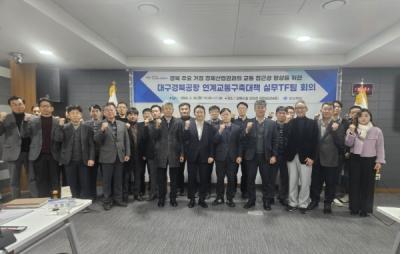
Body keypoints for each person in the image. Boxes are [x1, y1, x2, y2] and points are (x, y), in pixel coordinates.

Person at [345, 109, 385, 217]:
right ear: (357, 118)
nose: (363, 118)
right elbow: (348, 144)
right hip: (355, 159)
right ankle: (354, 208)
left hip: (370, 160)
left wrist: (379, 161)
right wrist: (352, 132)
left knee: (367, 185)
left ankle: (365, 209)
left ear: (370, 117)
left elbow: (380, 147)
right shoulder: (352, 129)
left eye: (366, 116)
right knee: (354, 184)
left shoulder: (376, 130)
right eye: (361, 116)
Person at [241, 100, 278, 210]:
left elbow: (275, 140)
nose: (260, 109)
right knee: (250, 179)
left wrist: (274, 155)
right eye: (258, 107)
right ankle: (251, 200)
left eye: (262, 107)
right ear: (255, 109)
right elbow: (242, 139)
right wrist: (247, 130)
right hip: (251, 156)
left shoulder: (272, 123)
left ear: (265, 108)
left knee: (266, 180)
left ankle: (266, 201)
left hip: (266, 156)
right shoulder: (249, 122)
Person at [22, 98, 63, 197]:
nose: (45, 108)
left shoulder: (58, 121)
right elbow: (24, 134)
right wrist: (25, 122)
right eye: (43, 106)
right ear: (39, 108)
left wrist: (61, 127)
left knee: (55, 179)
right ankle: (43, 201)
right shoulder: (32, 121)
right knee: (40, 179)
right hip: (38, 155)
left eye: (47, 106)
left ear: (52, 108)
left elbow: (60, 138)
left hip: (54, 155)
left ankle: (55, 200)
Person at [308, 103, 345, 214]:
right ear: (321, 110)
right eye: (325, 109)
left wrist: (334, 131)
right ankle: (314, 201)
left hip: (331, 159)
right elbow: (311, 141)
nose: (327, 111)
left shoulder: (338, 125)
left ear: (333, 111)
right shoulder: (316, 123)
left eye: (329, 109)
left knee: (330, 183)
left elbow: (341, 144)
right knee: (315, 183)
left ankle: (327, 204)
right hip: (317, 159)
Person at [94, 102, 130, 210]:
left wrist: (127, 153)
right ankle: (107, 201)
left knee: (118, 180)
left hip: (120, 156)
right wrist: (102, 130)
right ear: (104, 112)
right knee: (106, 181)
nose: (110, 112)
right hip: (106, 157)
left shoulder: (122, 124)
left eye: (112, 110)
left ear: (116, 111)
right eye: (108, 110)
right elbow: (96, 140)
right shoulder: (100, 123)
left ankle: (118, 199)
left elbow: (126, 140)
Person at [0, 96, 37, 198]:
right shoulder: (6, 118)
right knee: (14, 180)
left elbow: (36, 134)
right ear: (10, 106)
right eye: (14, 105)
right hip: (12, 153)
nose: (18, 106)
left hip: (30, 152)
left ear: (24, 105)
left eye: (20, 104)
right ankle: (16, 201)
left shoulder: (32, 118)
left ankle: (36, 199)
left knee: (32, 178)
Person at [286, 100, 318, 214]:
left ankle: (303, 203)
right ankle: (292, 202)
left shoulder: (312, 123)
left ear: (306, 109)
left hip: (306, 158)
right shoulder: (289, 122)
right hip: (291, 156)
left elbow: (315, 142)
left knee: (305, 182)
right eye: (297, 108)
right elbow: (286, 140)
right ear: (294, 110)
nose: (300, 110)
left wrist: (312, 158)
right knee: (292, 181)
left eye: (302, 107)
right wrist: (286, 123)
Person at [56, 105, 95, 198]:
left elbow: (91, 145)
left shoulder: (87, 128)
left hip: (84, 160)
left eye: (77, 113)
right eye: (72, 113)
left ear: (81, 115)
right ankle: (73, 202)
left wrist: (91, 158)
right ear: (68, 115)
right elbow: (58, 139)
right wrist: (60, 127)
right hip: (69, 160)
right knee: (71, 183)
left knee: (85, 182)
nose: (75, 115)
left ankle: (84, 202)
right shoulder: (64, 127)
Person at [183, 105, 215, 208]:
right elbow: (184, 140)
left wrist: (211, 155)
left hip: (205, 157)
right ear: (194, 113)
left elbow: (212, 143)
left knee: (204, 179)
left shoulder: (209, 126)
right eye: (197, 112)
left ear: (204, 113)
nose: (199, 114)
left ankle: (202, 199)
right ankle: (192, 199)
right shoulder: (189, 125)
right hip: (192, 156)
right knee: (191, 179)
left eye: (201, 112)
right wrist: (186, 129)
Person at [154, 103, 184, 207]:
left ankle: (173, 198)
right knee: (161, 179)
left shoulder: (179, 122)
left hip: (174, 154)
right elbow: (154, 138)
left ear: (173, 110)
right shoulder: (157, 121)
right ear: (163, 110)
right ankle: (161, 198)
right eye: (165, 109)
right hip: (160, 154)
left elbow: (181, 139)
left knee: (174, 179)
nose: (167, 110)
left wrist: (182, 153)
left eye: (169, 109)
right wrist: (157, 127)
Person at [212, 108, 242, 207]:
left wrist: (239, 155)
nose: (225, 116)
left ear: (230, 115)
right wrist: (220, 130)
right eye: (223, 115)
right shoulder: (216, 127)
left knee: (231, 179)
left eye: (227, 114)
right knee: (220, 179)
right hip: (220, 157)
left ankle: (230, 198)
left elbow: (240, 143)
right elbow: (214, 142)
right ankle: (219, 197)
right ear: (221, 116)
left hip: (232, 158)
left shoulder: (237, 128)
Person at [143, 105, 162, 201]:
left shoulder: (165, 123)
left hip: (163, 154)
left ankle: (162, 193)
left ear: (160, 112)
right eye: (153, 111)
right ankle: (153, 193)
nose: (154, 113)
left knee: (162, 175)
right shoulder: (148, 124)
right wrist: (146, 126)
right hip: (151, 154)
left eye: (156, 111)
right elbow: (145, 139)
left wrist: (159, 126)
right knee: (153, 175)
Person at [126, 108, 145, 201]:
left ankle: (137, 194)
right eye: (130, 114)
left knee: (138, 176)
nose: (132, 116)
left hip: (139, 156)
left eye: (134, 114)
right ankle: (125, 195)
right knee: (126, 176)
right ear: (127, 116)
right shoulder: (123, 126)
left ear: (137, 116)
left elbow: (145, 141)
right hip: (127, 156)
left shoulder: (142, 126)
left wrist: (144, 154)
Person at [85, 104, 103, 201]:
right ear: (90, 113)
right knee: (91, 175)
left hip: (104, 153)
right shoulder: (85, 124)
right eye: (92, 111)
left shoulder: (105, 123)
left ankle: (106, 195)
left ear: (100, 112)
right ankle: (92, 194)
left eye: (96, 111)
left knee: (106, 176)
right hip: (91, 154)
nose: (94, 113)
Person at [233, 101, 251, 199]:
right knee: (233, 172)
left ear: (246, 109)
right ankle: (233, 189)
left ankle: (244, 191)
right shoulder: (233, 121)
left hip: (247, 152)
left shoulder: (251, 121)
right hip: (235, 151)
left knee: (246, 173)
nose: (241, 110)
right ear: (237, 109)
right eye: (240, 108)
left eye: (243, 108)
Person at [275, 106, 289, 206]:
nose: (282, 115)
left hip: (285, 155)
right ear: (276, 114)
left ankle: (282, 196)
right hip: (273, 155)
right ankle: (269, 196)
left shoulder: (289, 126)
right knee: (271, 177)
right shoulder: (271, 125)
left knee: (284, 177)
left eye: (284, 113)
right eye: (280, 113)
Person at [177, 102, 192, 196]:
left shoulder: (195, 121)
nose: (184, 111)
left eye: (186, 109)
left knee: (192, 171)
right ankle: (180, 189)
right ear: (179, 111)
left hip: (192, 151)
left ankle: (192, 189)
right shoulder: (176, 121)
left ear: (189, 110)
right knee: (179, 171)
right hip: (179, 151)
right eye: (182, 109)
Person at [207, 105, 221, 199]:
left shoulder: (224, 122)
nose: (214, 113)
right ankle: (207, 191)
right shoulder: (205, 123)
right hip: (208, 152)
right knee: (207, 172)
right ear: (209, 113)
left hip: (220, 151)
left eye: (216, 111)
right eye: (212, 111)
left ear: (219, 113)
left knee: (220, 173)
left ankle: (219, 193)